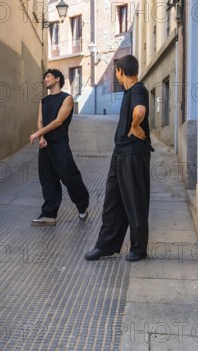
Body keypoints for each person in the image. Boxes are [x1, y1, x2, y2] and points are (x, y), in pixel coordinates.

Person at [85, 55, 153, 262]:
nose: (116, 75)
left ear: (120, 72)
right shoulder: (130, 92)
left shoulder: (138, 89)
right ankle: (106, 246)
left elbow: (140, 111)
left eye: (116, 71)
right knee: (112, 201)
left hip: (133, 154)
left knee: (135, 201)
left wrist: (134, 126)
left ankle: (138, 249)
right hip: (121, 153)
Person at [28, 69, 90, 226]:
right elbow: (40, 121)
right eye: (44, 78)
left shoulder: (67, 98)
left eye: (48, 77)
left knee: (70, 178)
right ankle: (49, 214)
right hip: (45, 145)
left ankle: (82, 205)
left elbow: (58, 121)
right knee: (47, 180)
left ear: (57, 79)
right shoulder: (43, 101)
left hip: (60, 145)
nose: (45, 79)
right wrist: (41, 137)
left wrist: (37, 134)